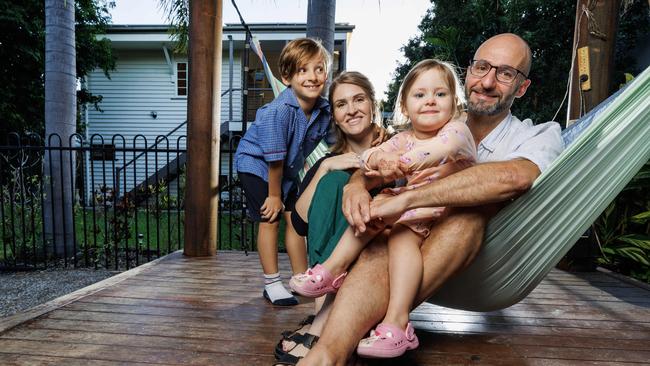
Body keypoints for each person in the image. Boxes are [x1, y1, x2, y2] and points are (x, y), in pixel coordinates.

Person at [298, 33, 564, 365]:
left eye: (506, 73)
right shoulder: (432, 121)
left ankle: (361, 328)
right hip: (407, 244)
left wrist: (406, 200)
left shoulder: (538, 134)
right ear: (468, 74)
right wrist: (356, 184)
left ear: (521, 87)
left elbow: (514, 177)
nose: (488, 81)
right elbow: (387, 159)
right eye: (482, 67)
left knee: (466, 218)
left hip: (481, 256)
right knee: (383, 241)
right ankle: (328, 351)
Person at [289, 59, 477, 359]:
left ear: (454, 102)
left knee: (392, 228)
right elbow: (375, 156)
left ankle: (395, 321)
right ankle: (331, 271)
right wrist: (375, 160)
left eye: (440, 95)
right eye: (420, 95)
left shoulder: (456, 131)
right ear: (405, 104)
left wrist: (401, 162)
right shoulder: (403, 138)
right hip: (407, 212)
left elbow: (441, 150)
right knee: (371, 213)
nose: (430, 100)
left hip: (440, 209)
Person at [274, 71, 384, 365]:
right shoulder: (327, 160)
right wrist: (325, 169)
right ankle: (329, 309)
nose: (351, 110)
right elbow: (299, 223)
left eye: (359, 100)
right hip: (334, 271)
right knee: (332, 182)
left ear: (373, 104)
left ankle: (323, 322)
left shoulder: (398, 146)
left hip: (380, 261)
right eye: (341, 104)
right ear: (334, 116)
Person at [234, 38, 331, 306]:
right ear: (287, 78)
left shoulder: (324, 110)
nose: (312, 77)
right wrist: (274, 196)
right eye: (303, 70)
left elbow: (340, 139)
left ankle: (302, 279)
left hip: (284, 171)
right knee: (271, 217)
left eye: (319, 69)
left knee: (296, 219)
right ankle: (272, 283)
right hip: (255, 164)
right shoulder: (279, 111)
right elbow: (273, 159)